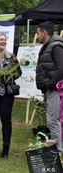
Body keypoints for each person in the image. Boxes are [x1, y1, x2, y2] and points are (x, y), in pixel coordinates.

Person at [35, 21, 63, 153]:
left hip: (55, 90)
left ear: (44, 33)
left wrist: (51, 85)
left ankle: (57, 152)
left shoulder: (56, 46)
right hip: (49, 89)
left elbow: (61, 68)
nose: (37, 36)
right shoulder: (47, 46)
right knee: (51, 119)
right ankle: (55, 149)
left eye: (38, 33)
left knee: (53, 120)